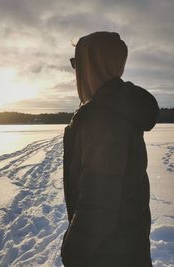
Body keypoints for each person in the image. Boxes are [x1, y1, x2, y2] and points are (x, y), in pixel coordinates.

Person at [60, 31, 159, 267]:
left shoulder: (103, 119)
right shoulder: (121, 109)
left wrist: (73, 251)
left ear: (92, 65)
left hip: (106, 255)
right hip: (128, 247)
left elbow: (98, 205)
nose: (76, 72)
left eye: (77, 63)